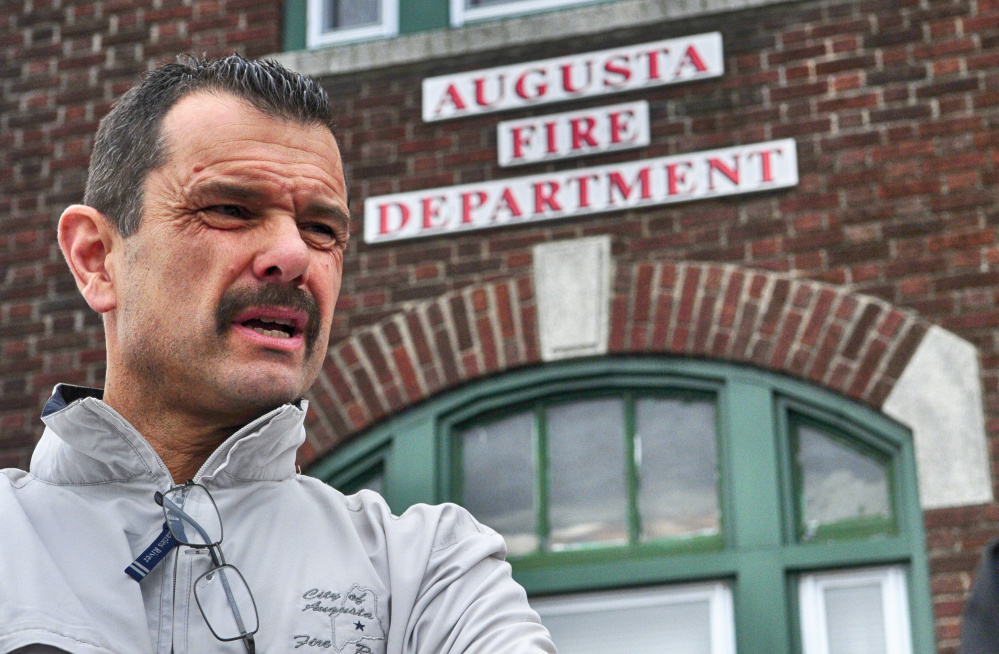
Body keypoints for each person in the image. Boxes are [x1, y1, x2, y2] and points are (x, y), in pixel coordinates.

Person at [0, 54, 557, 654]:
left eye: (321, 229)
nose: (293, 256)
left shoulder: (428, 572)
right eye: (230, 210)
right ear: (96, 259)